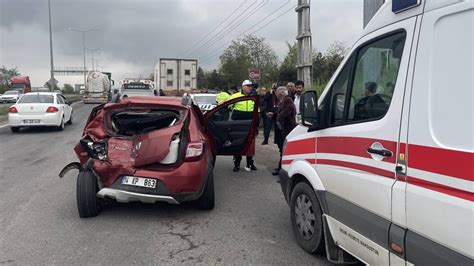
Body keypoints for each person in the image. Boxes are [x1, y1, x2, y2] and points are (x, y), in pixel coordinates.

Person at [229, 80, 257, 172]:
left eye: (251, 86)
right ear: (243, 86)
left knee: (250, 143)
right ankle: (237, 164)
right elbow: (226, 106)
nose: (249, 88)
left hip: (250, 123)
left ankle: (250, 163)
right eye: (248, 86)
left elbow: (257, 111)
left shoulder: (254, 97)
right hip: (238, 123)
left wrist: (256, 125)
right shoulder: (235, 96)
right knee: (238, 143)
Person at [272, 86, 297, 175]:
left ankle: (283, 171)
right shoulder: (284, 100)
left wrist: (279, 116)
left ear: (280, 94)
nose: (276, 95)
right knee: (282, 150)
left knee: (285, 150)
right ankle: (281, 169)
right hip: (284, 129)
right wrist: (276, 115)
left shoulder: (287, 100)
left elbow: (289, 109)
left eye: (277, 93)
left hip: (287, 128)